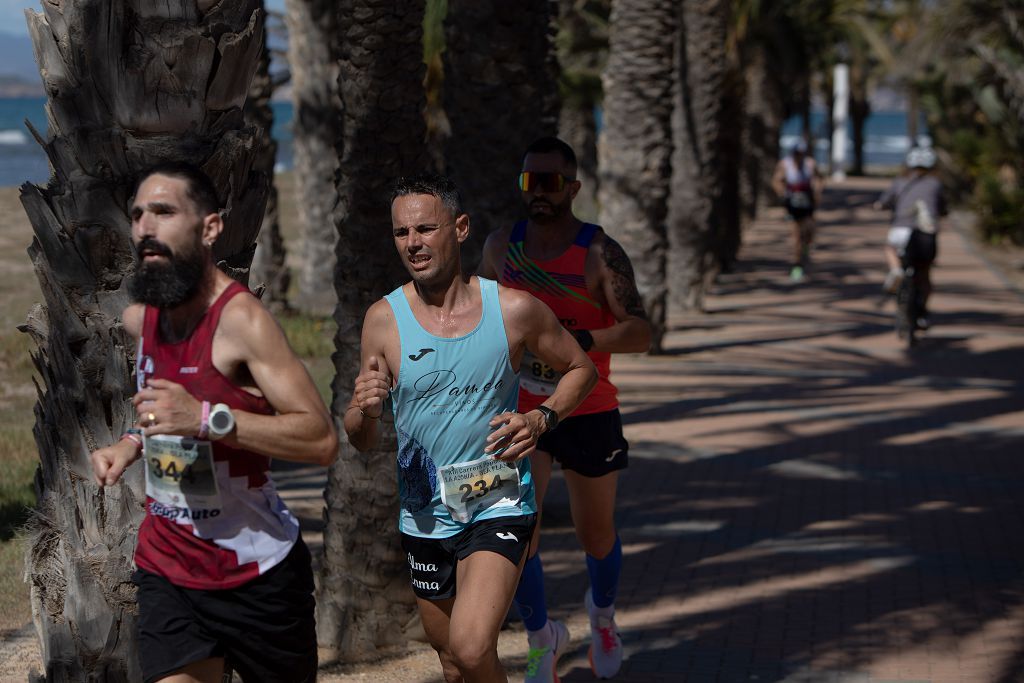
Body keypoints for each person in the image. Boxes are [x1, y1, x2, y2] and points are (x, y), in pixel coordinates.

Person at [88, 162, 338, 683]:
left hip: (257, 574)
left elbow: (319, 439)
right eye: (137, 215)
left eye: (163, 211)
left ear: (209, 227)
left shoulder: (242, 322)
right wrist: (132, 443)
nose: (144, 227)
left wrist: (205, 419)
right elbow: (166, 409)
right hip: (168, 565)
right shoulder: (142, 318)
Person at [345, 173, 597, 683]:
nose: (413, 243)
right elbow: (362, 436)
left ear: (459, 228)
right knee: (454, 663)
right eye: (401, 233)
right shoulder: (383, 320)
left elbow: (581, 369)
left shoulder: (513, 309)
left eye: (425, 228)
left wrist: (540, 417)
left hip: (499, 500)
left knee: (471, 641)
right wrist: (365, 409)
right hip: (424, 515)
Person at [479, 136, 652, 682]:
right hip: (520, 409)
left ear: (573, 187)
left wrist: (578, 340)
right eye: (530, 181)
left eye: (550, 182)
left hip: (589, 407)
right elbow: (481, 320)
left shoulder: (600, 252)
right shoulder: (502, 246)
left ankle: (601, 614)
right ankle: (541, 638)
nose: (538, 193)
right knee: (516, 530)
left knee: (594, 532)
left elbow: (641, 331)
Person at [874, 145, 947, 328]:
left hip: (901, 231)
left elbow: (884, 202)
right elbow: (942, 208)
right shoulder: (935, 184)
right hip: (926, 234)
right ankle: (922, 313)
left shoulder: (900, 181)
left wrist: (879, 206)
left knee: (890, 247)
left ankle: (896, 269)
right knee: (925, 274)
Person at [771, 138, 823, 282]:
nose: (799, 156)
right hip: (792, 203)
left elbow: (819, 179)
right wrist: (783, 195)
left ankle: (805, 249)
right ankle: (797, 265)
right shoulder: (785, 164)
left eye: (801, 153)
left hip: (807, 202)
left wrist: (817, 192)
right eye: (796, 153)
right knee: (796, 236)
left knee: (810, 232)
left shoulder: (810, 164)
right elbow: (776, 180)